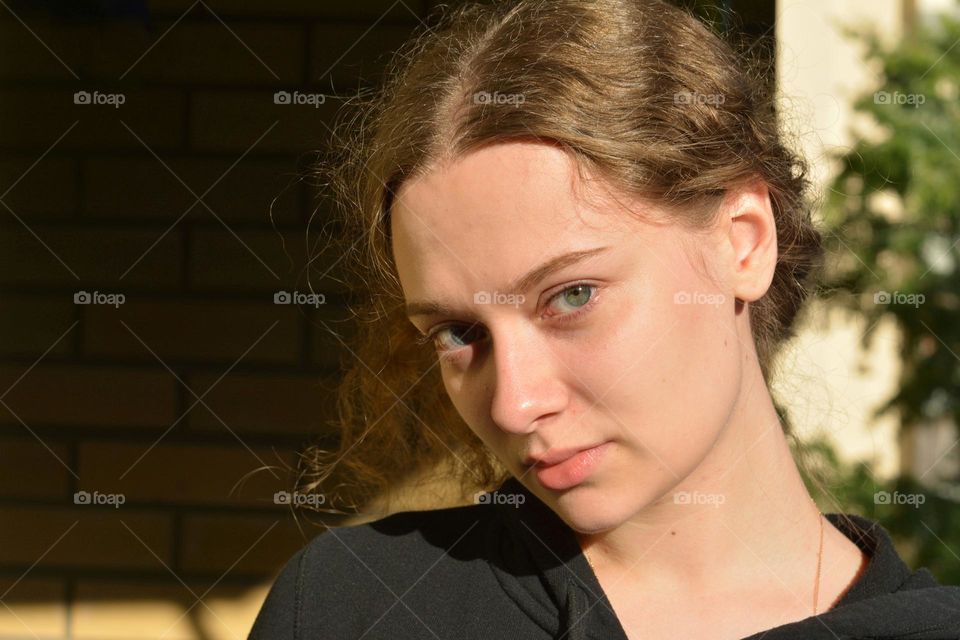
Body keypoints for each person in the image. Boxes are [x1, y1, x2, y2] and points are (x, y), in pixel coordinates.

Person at [249, 0, 960, 638]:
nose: (516, 402)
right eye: (460, 334)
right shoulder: (357, 609)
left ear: (743, 241)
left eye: (571, 296)